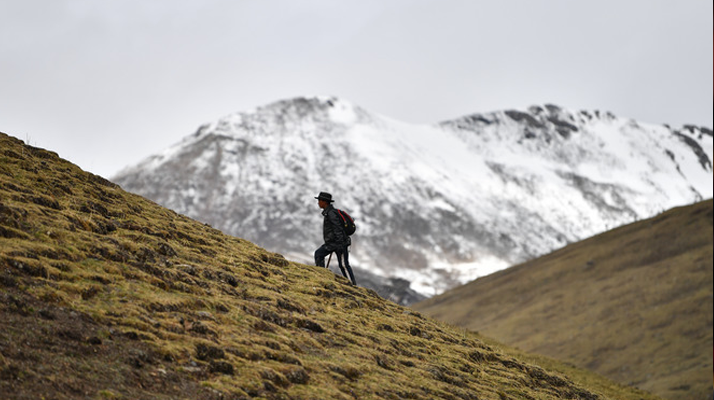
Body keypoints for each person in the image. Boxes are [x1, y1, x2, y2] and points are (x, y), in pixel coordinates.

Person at [314, 192, 357, 285]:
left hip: (338, 244)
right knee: (319, 254)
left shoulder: (331, 214)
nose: (318, 202)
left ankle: (353, 285)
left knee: (343, 265)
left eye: (319, 200)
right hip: (333, 243)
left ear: (324, 202)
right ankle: (322, 277)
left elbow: (338, 229)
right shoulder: (329, 213)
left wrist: (340, 244)